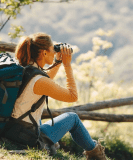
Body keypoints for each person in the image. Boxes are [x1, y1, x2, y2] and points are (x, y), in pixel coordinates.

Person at [11, 32, 107, 160]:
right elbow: (72, 96)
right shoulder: (38, 80)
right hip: (26, 137)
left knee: (38, 117)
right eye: (52, 49)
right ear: (44, 53)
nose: (54, 52)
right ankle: (96, 153)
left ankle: (51, 142)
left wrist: (58, 61)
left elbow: (45, 80)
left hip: (12, 130)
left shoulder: (25, 69)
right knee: (72, 118)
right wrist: (67, 65)